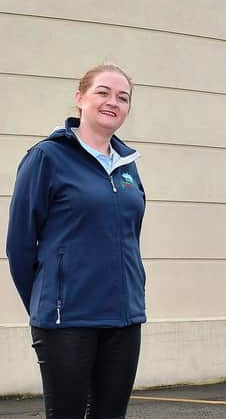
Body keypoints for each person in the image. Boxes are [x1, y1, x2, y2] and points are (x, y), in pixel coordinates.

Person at [6, 64, 147, 419]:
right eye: (102, 92)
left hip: (124, 319)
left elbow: (129, 238)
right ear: (79, 98)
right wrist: (47, 299)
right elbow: (20, 246)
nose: (112, 102)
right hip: (67, 320)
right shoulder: (46, 158)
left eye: (122, 97)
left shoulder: (128, 166)